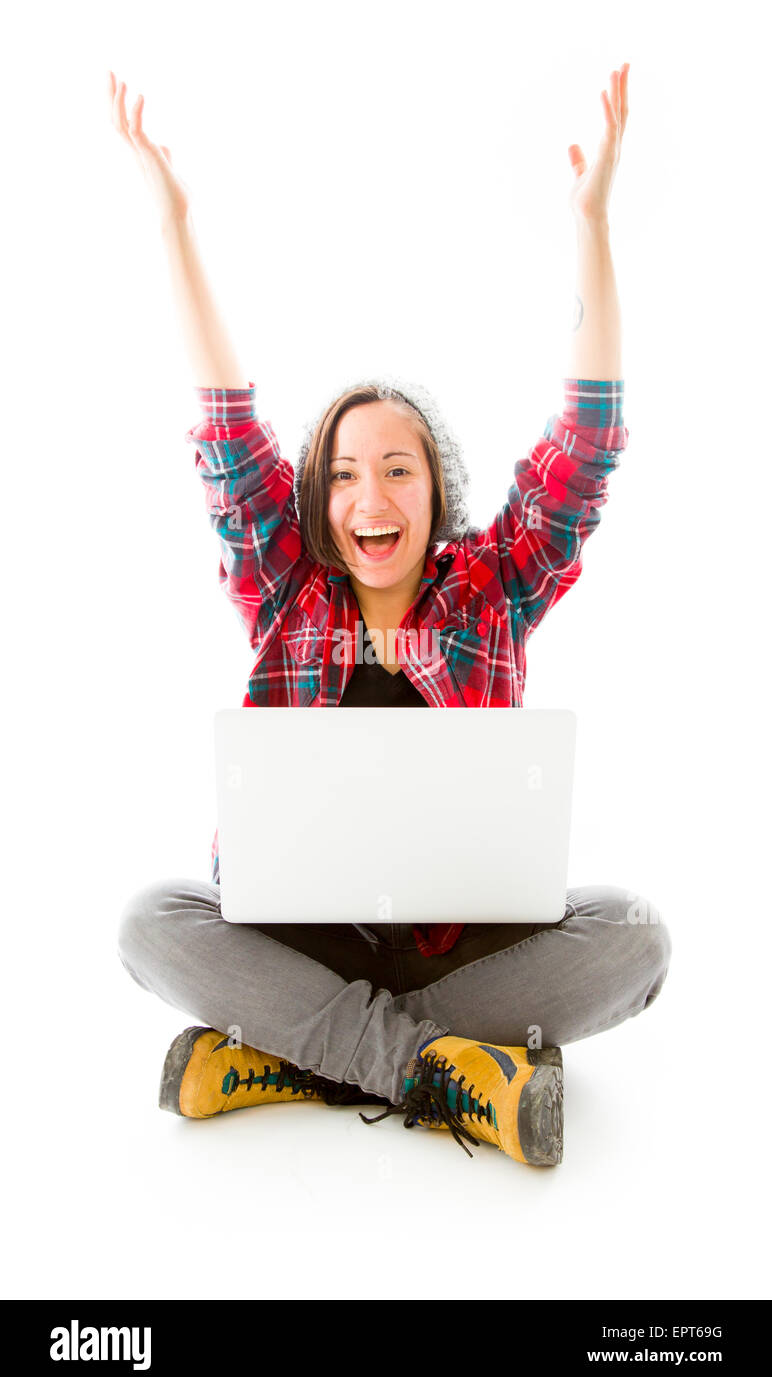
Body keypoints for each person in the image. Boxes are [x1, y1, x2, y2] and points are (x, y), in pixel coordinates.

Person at [110, 63, 671, 1168]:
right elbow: (225, 423)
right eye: (344, 475)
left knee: (638, 936)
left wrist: (591, 222)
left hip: (458, 944)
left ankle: (289, 1056)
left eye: (399, 470)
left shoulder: (494, 583)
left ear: (435, 492)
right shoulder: (286, 589)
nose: (371, 497)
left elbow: (589, 445)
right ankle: (446, 1074)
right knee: (148, 921)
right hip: (305, 935)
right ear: (317, 502)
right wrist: (173, 224)